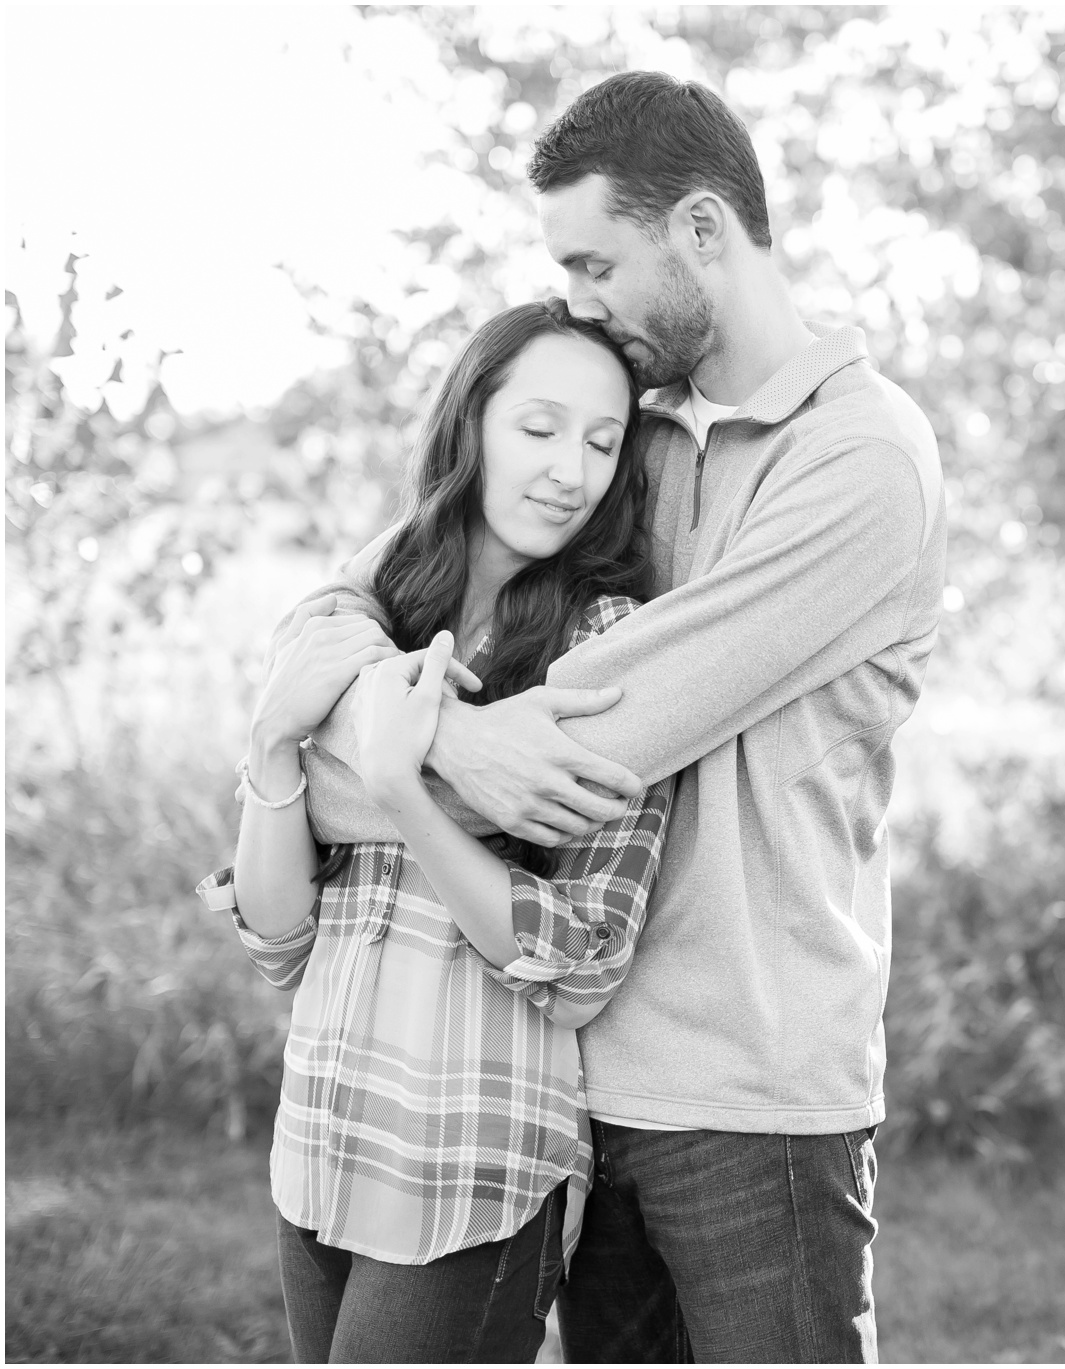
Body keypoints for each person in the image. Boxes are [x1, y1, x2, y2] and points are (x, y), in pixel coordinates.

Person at [285, 72, 946, 1361]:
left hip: (753, 1096)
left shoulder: (857, 458)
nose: (577, 301)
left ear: (701, 230)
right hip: (573, 1068)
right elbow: (339, 606)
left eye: (595, 262)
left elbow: (596, 736)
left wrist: (334, 770)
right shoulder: (622, 436)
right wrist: (411, 718)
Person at [197, 299, 675, 1362]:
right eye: (540, 428)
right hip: (322, 1134)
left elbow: (578, 959)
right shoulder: (369, 627)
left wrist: (404, 792)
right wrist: (276, 746)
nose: (571, 469)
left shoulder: (609, 647)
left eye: (602, 444)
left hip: (469, 1160)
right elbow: (279, 938)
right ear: (472, 422)